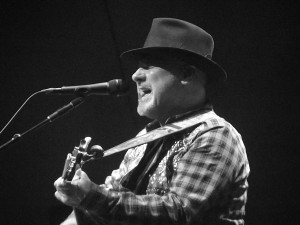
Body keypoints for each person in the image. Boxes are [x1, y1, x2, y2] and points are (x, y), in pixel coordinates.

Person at [54, 18, 250, 225]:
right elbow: (106, 209)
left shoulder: (215, 135)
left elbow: (179, 214)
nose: (135, 75)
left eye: (148, 66)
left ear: (187, 74)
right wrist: (82, 201)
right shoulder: (145, 138)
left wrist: (92, 197)